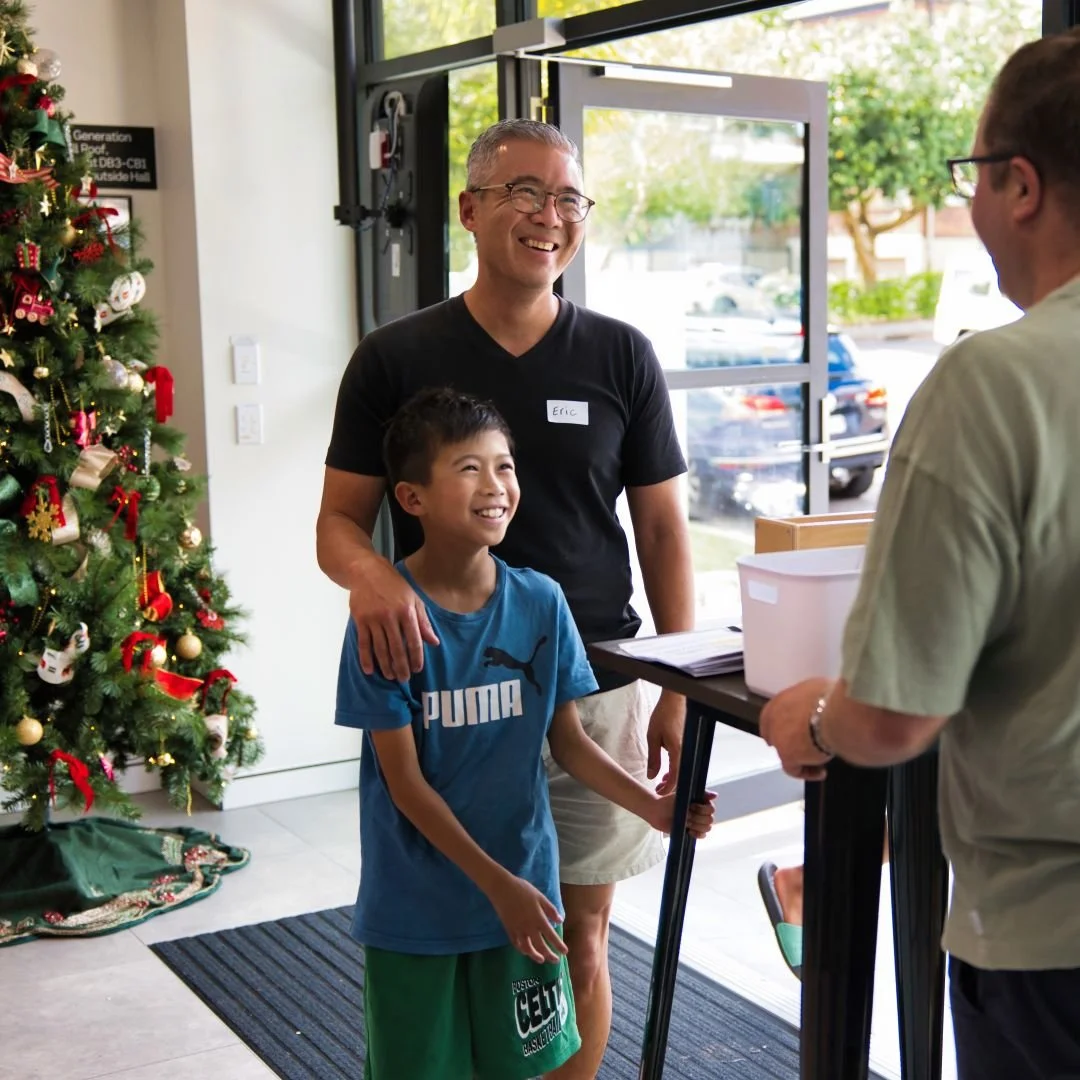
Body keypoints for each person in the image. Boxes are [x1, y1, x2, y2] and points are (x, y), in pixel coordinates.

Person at [317, 118, 694, 1077]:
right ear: (471, 210)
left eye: (569, 198)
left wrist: (679, 685)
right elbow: (340, 525)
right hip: (442, 683)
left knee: (577, 938)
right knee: (456, 939)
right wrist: (373, 583)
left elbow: (661, 531)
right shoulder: (394, 358)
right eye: (526, 193)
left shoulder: (621, 355)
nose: (549, 216)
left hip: (593, 680)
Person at [759, 28, 1080, 1078]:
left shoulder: (994, 384)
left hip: (1050, 949)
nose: (975, 205)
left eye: (974, 175)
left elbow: (897, 715)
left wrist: (808, 716)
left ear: (1020, 185)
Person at [336, 387, 714, 1079]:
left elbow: (568, 742)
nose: (496, 485)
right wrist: (497, 885)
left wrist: (653, 807)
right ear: (411, 498)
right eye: (469, 468)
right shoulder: (387, 620)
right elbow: (406, 787)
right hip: (419, 909)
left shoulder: (540, 601)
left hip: (526, 897)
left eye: (505, 466)